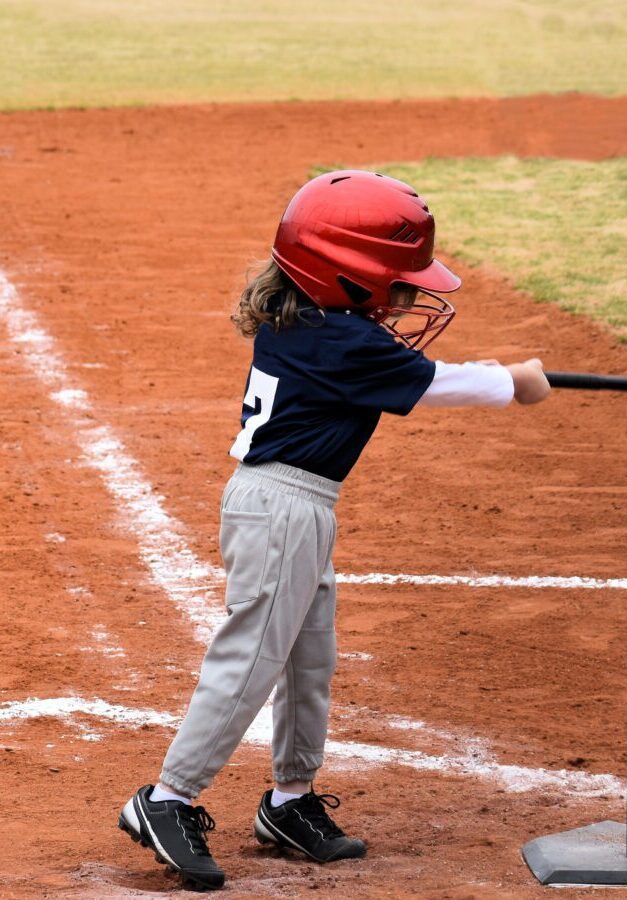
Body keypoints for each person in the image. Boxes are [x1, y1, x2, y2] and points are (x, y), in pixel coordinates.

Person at [118, 170, 550, 890]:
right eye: (398, 283)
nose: (410, 298)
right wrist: (515, 382)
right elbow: (441, 384)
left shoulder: (311, 323)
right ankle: (167, 799)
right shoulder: (339, 342)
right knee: (253, 656)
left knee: (307, 659)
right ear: (346, 277)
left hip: (299, 507)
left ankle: (289, 802)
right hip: (280, 508)